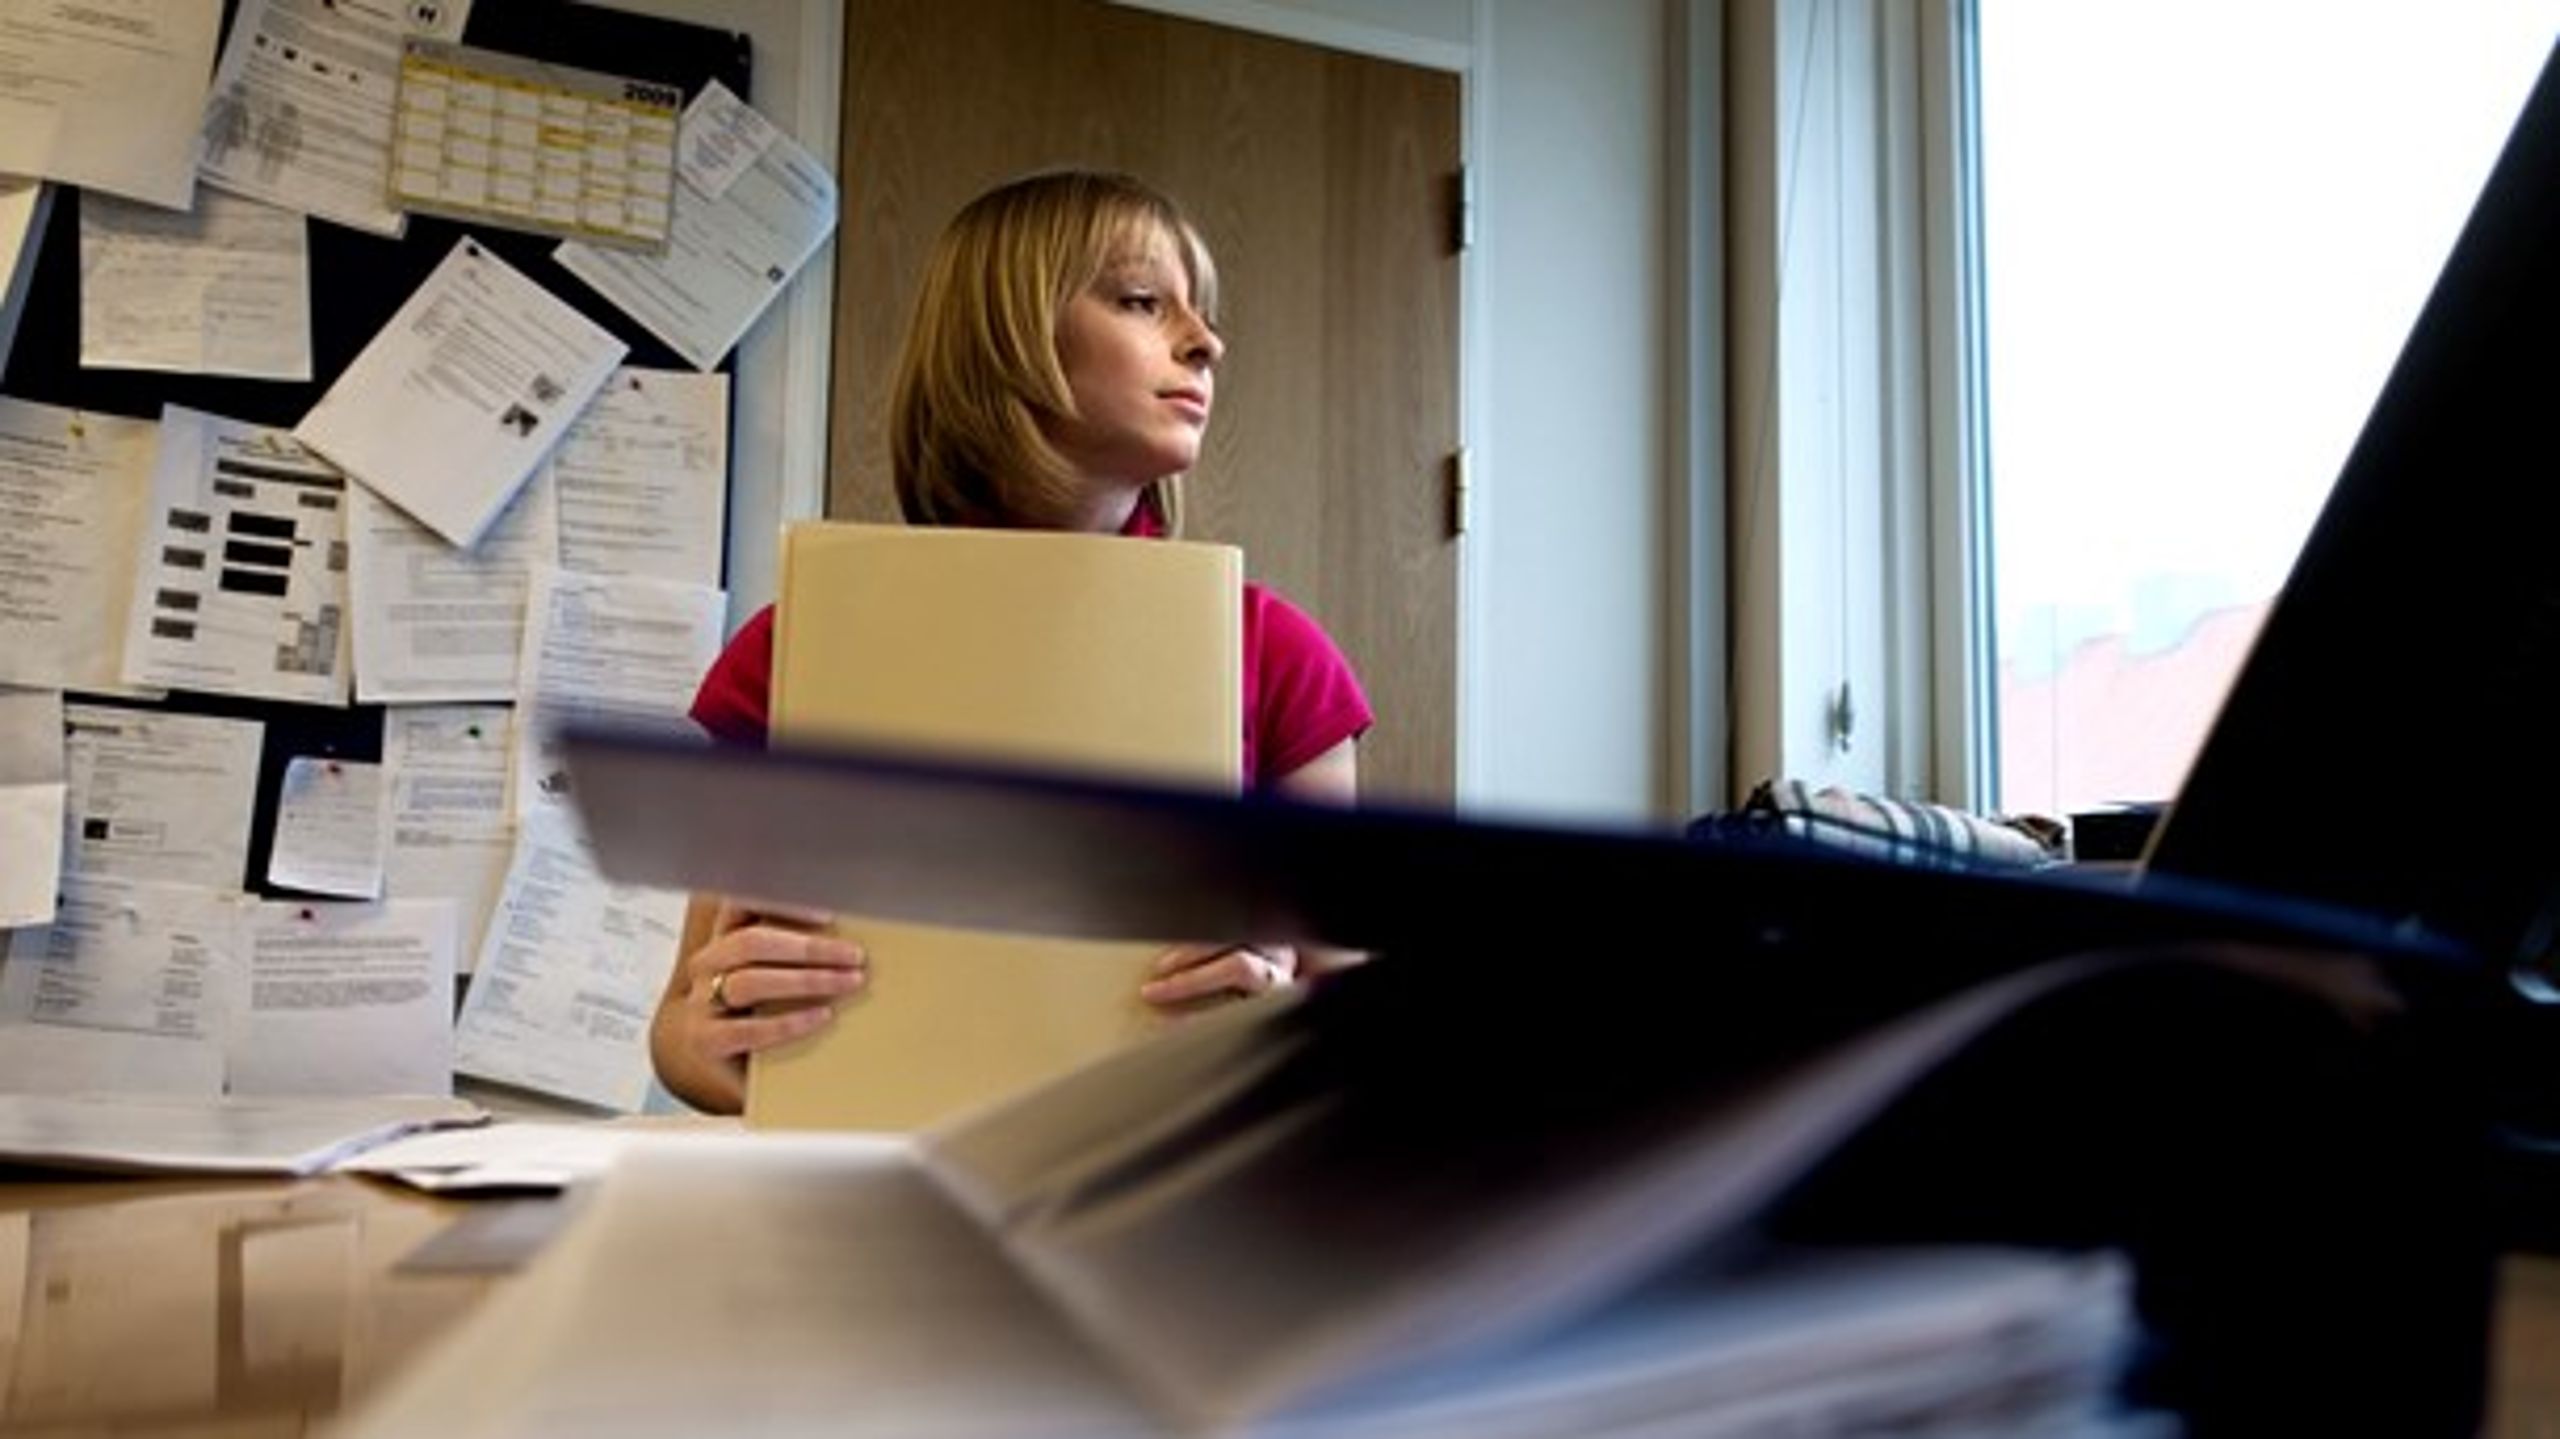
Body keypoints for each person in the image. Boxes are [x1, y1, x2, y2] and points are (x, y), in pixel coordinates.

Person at [650, 170, 1375, 1115]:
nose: (1206, 341)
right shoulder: (796, 650)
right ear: (1006, 338)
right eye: (1143, 300)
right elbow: (679, 1032)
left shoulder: (1279, 657)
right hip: (876, 1186)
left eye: (1199, 313)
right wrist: (719, 1039)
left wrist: (1273, 1029)